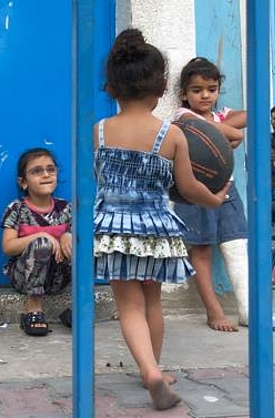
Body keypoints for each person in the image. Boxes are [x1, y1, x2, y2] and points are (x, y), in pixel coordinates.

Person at [94, 29, 229, 410]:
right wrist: (215, 199)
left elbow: (100, 180)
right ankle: (153, 369)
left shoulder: (100, 132)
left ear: (112, 88)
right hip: (157, 229)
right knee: (153, 300)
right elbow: (188, 188)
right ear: (161, 87)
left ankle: (149, 370)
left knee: (130, 306)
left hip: (115, 228)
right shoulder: (172, 135)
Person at [172, 57, 249, 332]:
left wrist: (227, 127)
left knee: (236, 245)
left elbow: (249, 114)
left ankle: (247, 309)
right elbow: (221, 130)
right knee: (202, 249)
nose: (205, 95)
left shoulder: (217, 115)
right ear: (183, 93)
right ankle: (213, 310)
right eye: (197, 90)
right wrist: (231, 134)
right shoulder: (182, 118)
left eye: (212, 89)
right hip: (194, 192)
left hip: (228, 189)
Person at [0, 147, 72, 337]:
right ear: (23, 182)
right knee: (42, 244)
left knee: (80, 244)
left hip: (58, 279)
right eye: (37, 171)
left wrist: (68, 235)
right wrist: (41, 237)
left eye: (51, 169)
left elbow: (79, 237)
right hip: (25, 277)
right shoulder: (17, 208)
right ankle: (33, 310)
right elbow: (7, 247)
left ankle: (78, 307)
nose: (46, 175)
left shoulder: (66, 208)